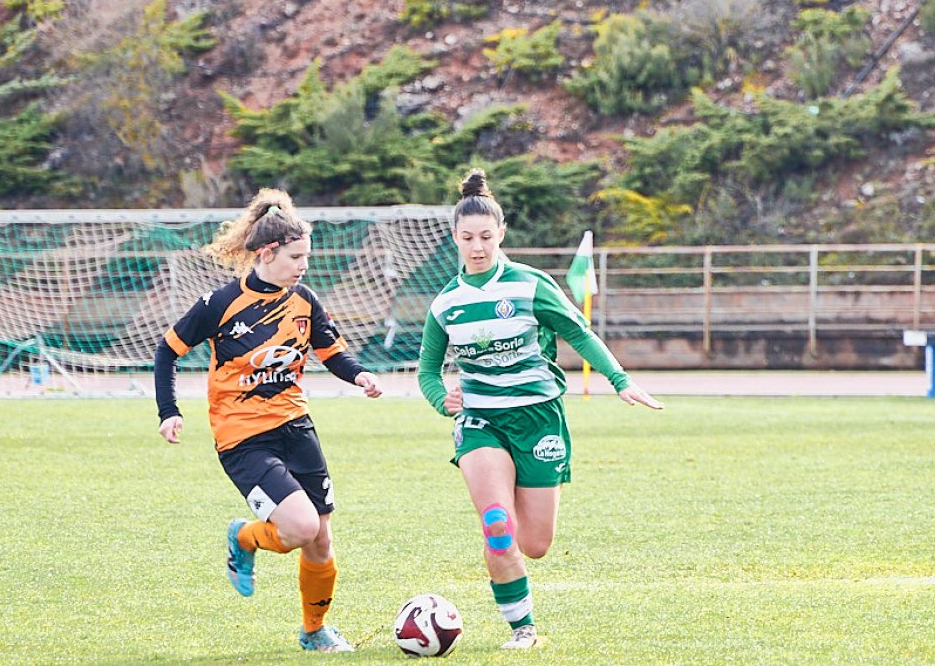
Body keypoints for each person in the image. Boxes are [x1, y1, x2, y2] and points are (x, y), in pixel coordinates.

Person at [417, 169, 663, 650]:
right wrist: (439, 397)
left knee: (536, 544)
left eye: (486, 236)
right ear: (454, 239)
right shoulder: (446, 304)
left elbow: (579, 334)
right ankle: (522, 629)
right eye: (467, 238)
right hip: (480, 422)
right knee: (496, 524)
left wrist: (620, 381)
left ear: (501, 233)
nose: (477, 247)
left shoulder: (532, 286)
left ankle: (520, 599)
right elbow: (427, 370)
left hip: (538, 419)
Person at [153, 188, 383, 653]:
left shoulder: (304, 301)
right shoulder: (220, 304)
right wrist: (169, 411)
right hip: (243, 438)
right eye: (296, 257)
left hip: (297, 428)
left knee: (321, 540)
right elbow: (167, 350)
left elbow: (331, 352)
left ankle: (314, 631)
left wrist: (360, 376)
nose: (303, 266)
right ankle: (243, 536)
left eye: (307, 257)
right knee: (300, 528)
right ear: (266, 253)